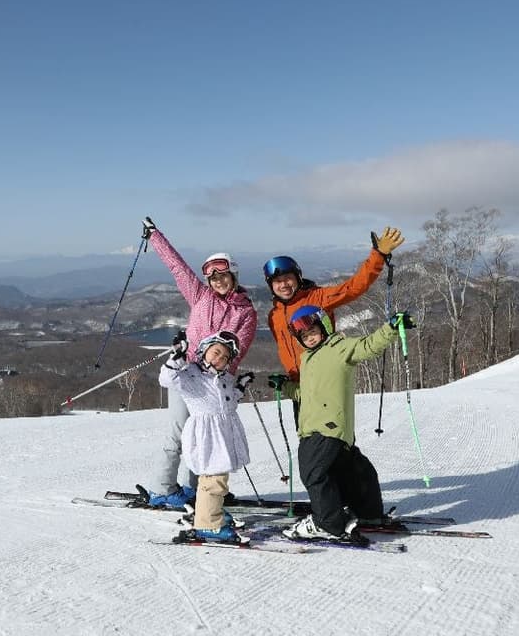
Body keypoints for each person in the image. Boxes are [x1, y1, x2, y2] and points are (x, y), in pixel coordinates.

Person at [269, 305, 416, 540]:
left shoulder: (340, 348)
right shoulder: (307, 358)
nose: (309, 338)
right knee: (353, 470)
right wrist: (284, 386)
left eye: (313, 331)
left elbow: (368, 346)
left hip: (323, 428)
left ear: (325, 326)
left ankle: (327, 523)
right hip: (331, 430)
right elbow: (305, 393)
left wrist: (390, 327)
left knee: (314, 474)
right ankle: (368, 512)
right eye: (304, 336)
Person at [140, 216, 257, 509]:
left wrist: (224, 379)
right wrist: (155, 236)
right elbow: (177, 267)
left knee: (206, 436)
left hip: (213, 381)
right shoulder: (200, 296)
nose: (217, 280)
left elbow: (237, 349)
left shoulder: (246, 312)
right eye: (213, 277)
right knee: (178, 432)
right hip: (186, 375)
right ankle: (162, 488)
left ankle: (199, 490)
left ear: (234, 276)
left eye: (223, 275)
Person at [264, 227, 405, 424]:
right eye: (277, 281)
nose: (284, 284)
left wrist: (378, 255)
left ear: (298, 277)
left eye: (288, 278)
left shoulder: (317, 297)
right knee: (309, 439)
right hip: (301, 389)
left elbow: (354, 288)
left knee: (330, 442)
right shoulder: (274, 316)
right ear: (271, 286)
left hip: (326, 382)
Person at [160, 330, 254, 543]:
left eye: (224, 357)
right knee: (214, 480)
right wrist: (178, 356)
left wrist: (240, 386)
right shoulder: (192, 374)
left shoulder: (223, 378)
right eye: (216, 352)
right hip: (207, 437)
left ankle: (210, 512)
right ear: (204, 350)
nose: (219, 359)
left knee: (215, 479)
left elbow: (228, 403)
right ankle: (208, 524)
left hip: (223, 435)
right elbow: (167, 379)